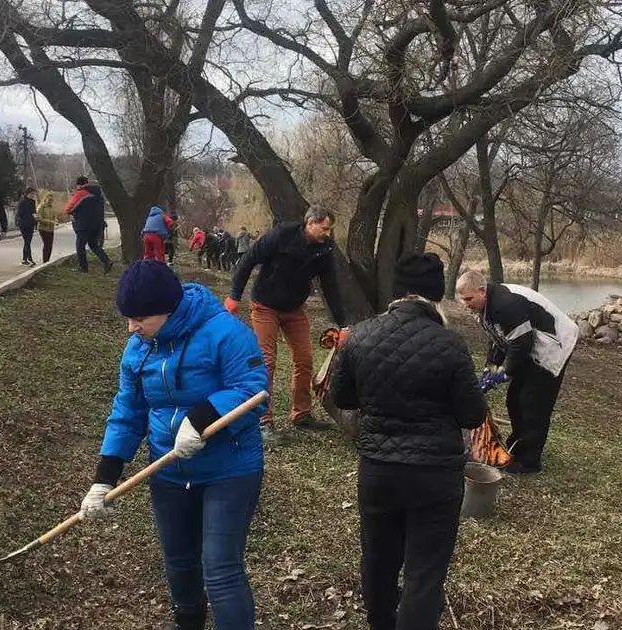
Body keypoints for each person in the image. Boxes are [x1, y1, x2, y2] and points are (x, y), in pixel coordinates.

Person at [79, 261, 270, 630]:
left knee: (220, 567)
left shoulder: (225, 333)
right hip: (168, 468)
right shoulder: (139, 347)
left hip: (229, 469)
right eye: (128, 318)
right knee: (179, 562)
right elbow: (128, 410)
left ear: (168, 310)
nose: (131, 327)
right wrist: (104, 478)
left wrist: (200, 420)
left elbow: (253, 390)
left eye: (139, 318)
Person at [331, 253, 487, 630]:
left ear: (397, 291)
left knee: (378, 561)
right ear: (437, 294)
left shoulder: (361, 337)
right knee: (424, 573)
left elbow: (342, 398)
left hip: (378, 470)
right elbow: (472, 415)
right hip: (435, 477)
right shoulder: (450, 345)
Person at [226, 205, 348, 445]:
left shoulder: (324, 250)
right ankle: (263, 422)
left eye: (329, 229)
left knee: (304, 359)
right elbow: (248, 259)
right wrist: (234, 296)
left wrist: (341, 324)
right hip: (265, 305)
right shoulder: (282, 234)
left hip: (294, 309)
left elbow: (330, 286)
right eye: (324, 228)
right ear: (310, 222)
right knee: (267, 361)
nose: (327, 233)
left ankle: (301, 414)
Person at [455, 270, 578, 475]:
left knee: (533, 402)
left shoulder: (505, 304)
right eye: (462, 299)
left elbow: (521, 343)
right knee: (514, 400)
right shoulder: (487, 308)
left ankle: (529, 462)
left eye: (469, 298)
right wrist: (489, 370)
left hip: (553, 344)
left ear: (482, 291)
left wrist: (504, 373)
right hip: (532, 345)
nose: (465, 304)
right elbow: (498, 340)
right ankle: (519, 446)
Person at [63, 175, 113, 273]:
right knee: (93, 245)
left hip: (83, 225)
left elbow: (68, 209)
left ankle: (83, 268)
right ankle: (107, 261)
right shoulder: (98, 194)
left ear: (78, 185)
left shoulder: (81, 194)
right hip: (97, 225)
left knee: (80, 246)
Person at [15, 187, 38, 267]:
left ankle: (25, 259)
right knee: (27, 241)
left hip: (31, 224)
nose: (33, 195)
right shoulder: (22, 201)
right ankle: (29, 258)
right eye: (31, 194)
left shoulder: (32, 202)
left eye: (34, 194)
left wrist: (35, 221)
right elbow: (19, 213)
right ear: (27, 194)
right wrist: (19, 222)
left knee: (28, 242)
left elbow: (34, 212)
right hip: (24, 224)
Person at [36, 191, 59, 263]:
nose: (50, 201)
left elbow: (55, 216)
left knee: (50, 245)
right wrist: (51, 222)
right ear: (45, 199)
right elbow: (39, 219)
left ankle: (47, 260)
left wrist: (56, 220)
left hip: (50, 229)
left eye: (52, 200)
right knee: (47, 244)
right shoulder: (41, 207)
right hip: (43, 228)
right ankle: (45, 261)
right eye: (49, 200)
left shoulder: (52, 207)